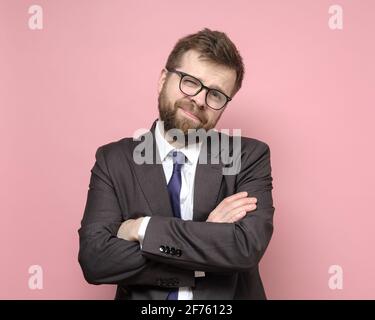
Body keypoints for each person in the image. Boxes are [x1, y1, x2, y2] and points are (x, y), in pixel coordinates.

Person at [78, 28, 275, 300]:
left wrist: (142, 229)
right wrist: (207, 242)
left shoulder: (248, 157)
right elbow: (95, 261)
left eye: (216, 94)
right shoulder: (114, 161)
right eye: (190, 81)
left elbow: (245, 248)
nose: (199, 100)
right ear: (162, 79)